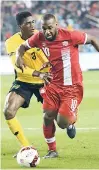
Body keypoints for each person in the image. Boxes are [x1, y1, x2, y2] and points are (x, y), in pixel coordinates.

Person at [15, 13, 99, 158]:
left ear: (56, 25)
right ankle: (52, 150)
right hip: (53, 84)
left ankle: (71, 121)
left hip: (72, 87)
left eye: (49, 28)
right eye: (43, 28)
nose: (47, 32)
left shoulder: (70, 36)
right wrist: (18, 56)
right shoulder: (39, 37)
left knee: (62, 123)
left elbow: (92, 39)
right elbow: (22, 47)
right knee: (47, 116)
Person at [3, 11, 50, 151]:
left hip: (46, 80)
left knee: (61, 118)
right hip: (24, 81)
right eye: (27, 23)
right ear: (20, 26)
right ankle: (26, 147)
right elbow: (18, 66)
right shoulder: (11, 42)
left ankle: (69, 124)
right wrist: (37, 73)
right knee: (8, 111)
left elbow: (49, 60)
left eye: (33, 22)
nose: (32, 26)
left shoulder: (41, 37)